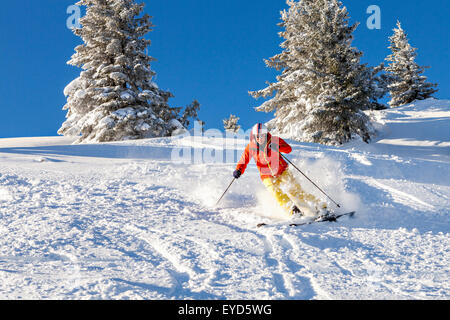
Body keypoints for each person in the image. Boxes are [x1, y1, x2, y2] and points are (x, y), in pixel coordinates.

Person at [234, 123, 328, 218]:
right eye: (257, 136)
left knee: (295, 191)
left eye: (262, 135)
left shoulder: (274, 140)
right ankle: (294, 212)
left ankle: (319, 206)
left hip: (282, 171)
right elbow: (244, 160)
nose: (260, 138)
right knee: (277, 194)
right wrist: (238, 170)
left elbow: (288, 149)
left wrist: (277, 147)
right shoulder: (251, 147)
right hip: (266, 176)